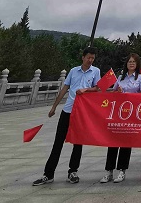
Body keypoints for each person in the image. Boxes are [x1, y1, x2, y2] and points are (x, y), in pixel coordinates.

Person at [32, 47, 100, 186]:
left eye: (92, 58)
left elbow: (98, 88)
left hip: (82, 113)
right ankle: (48, 174)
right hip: (68, 110)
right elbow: (64, 89)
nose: (90, 60)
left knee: (78, 142)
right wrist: (54, 107)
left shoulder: (96, 71)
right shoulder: (74, 71)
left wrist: (86, 89)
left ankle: (73, 171)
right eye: (88, 57)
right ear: (83, 57)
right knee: (58, 142)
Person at [100, 54, 141, 184]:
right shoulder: (120, 77)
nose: (131, 64)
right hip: (118, 115)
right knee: (113, 142)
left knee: (126, 143)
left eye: (133, 62)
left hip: (131, 115)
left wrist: (130, 96)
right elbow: (112, 94)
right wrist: (118, 93)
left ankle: (122, 170)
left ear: (137, 64)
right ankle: (109, 170)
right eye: (129, 61)